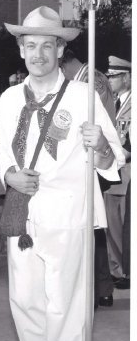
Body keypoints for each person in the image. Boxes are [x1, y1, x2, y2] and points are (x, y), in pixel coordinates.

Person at [0, 6, 125, 341]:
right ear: (21, 49)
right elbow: (0, 154)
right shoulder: (8, 100)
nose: (38, 54)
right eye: (31, 45)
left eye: (47, 46)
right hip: (23, 216)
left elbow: (115, 162)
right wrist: (8, 175)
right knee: (25, 305)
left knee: (68, 308)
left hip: (69, 218)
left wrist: (102, 149)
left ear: (61, 50)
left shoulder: (84, 98)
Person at [61, 48, 116, 308]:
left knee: (93, 227)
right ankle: (100, 287)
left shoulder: (88, 82)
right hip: (94, 159)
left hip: (97, 160)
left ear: (64, 63)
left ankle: (98, 288)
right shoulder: (90, 78)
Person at [104, 56, 131, 289]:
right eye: (109, 75)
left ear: (127, 77)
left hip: (127, 171)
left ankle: (126, 270)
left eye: (114, 76)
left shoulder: (132, 103)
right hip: (112, 172)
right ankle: (119, 270)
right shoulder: (113, 102)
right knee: (112, 223)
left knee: (125, 223)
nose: (110, 79)